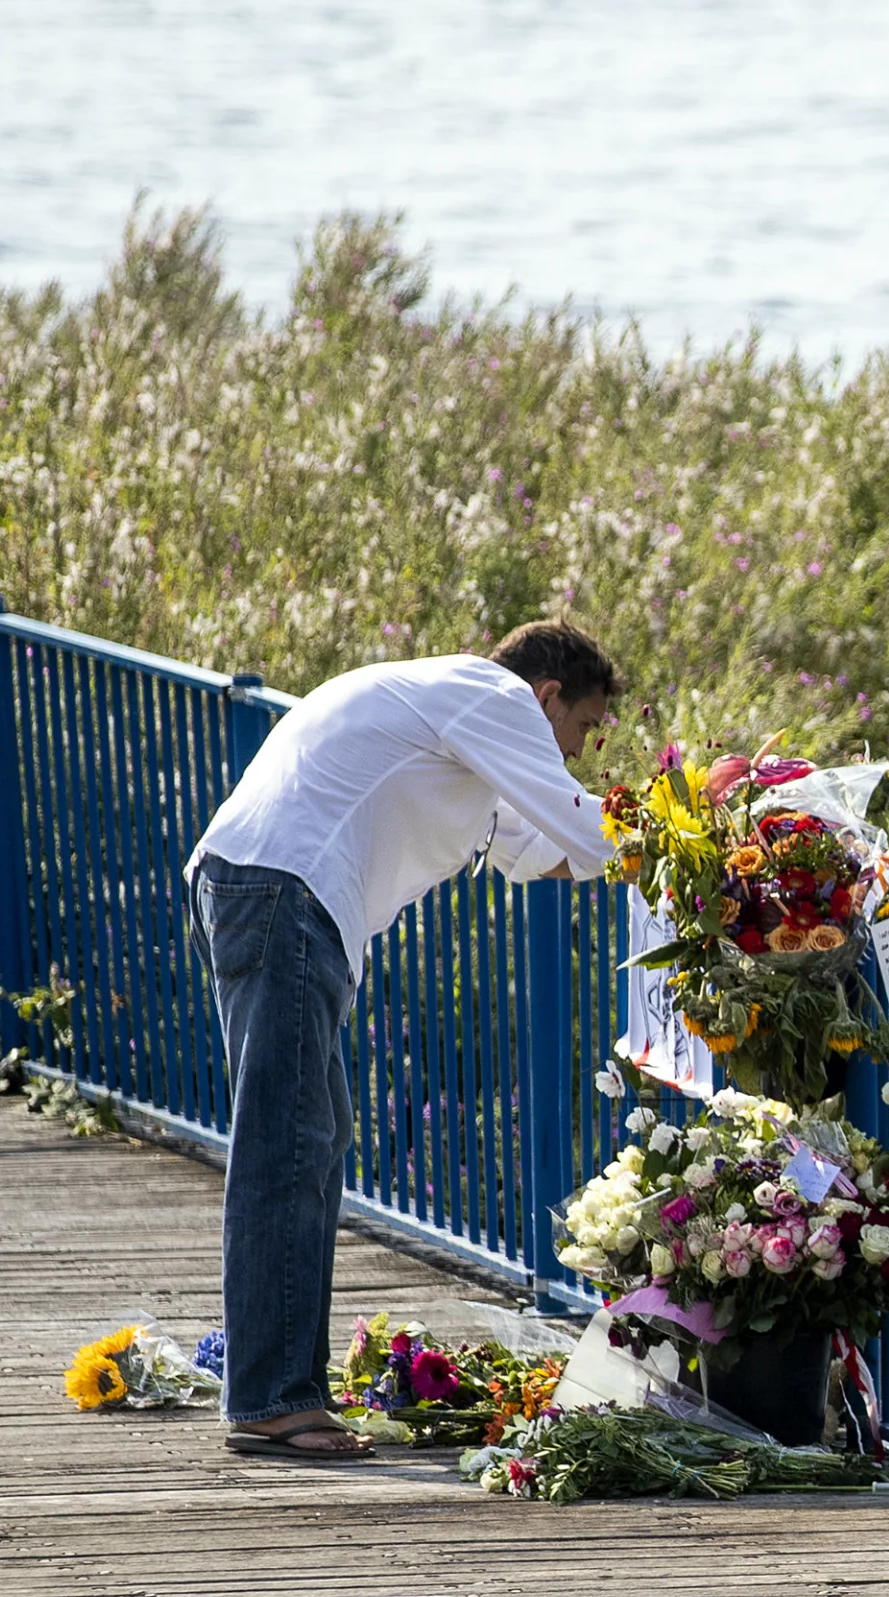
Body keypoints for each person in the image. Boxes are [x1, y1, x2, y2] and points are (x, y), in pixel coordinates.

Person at [185, 621, 622, 1459]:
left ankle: (284, 1390)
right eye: (582, 726)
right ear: (547, 696)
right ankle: (272, 1400)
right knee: (287, 1143)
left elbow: (547, 854)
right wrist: (692, 836)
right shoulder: (494, 696)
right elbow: (586, 827)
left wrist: (639, 858)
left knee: (313, 1139)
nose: (578, 751)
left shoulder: (457, 725)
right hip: (285, 892)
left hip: (267, 889)